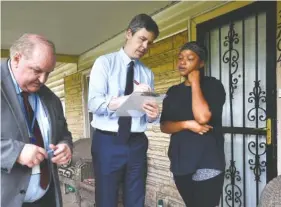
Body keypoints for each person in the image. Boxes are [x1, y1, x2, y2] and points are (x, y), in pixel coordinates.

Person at [88, 13, 159, 207]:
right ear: (129, 33)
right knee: (106, 199)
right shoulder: (104, 63)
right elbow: (94, 104)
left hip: (137, 143)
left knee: (136, 199)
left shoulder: (147, 73)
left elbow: (146, 113)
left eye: (149, 43)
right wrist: (129, 98)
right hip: (108, 142)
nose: (145, 47)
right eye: (142, 39)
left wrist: (153, 115)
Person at [1, 33, 73, 207]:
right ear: (17, 59)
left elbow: (63, 132)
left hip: (46, 199)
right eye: (37, 70)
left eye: (48, 73)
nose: (43, 80)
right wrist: (15, 152)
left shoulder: (51, 98)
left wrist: (65, 146)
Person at [160, 41, 226, 207]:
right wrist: (187, 124)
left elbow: (203, 117)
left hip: (208, 160)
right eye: (180, 58)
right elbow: (165, 126)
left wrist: (195, 82)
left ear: (201, 63)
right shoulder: (173, 91)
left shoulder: (213, 85)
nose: (182, 62)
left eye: (190, 58)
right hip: (180, 161)